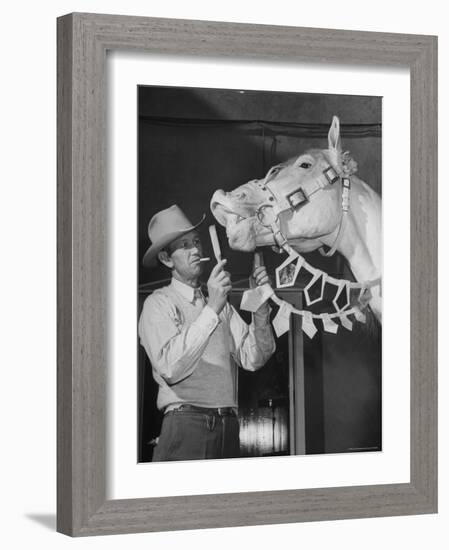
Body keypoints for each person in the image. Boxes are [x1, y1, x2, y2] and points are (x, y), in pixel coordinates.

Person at [138, 204, 276, 461]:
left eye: (196, 242)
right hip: (187, 424)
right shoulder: (159, 303)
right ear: (166, 259)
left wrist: (259, 303)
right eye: (184, 246)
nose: (195, 250)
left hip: (229, 425)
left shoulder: (218, 303)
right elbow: (170, 367)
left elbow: (254, 358)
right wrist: (212, 307)